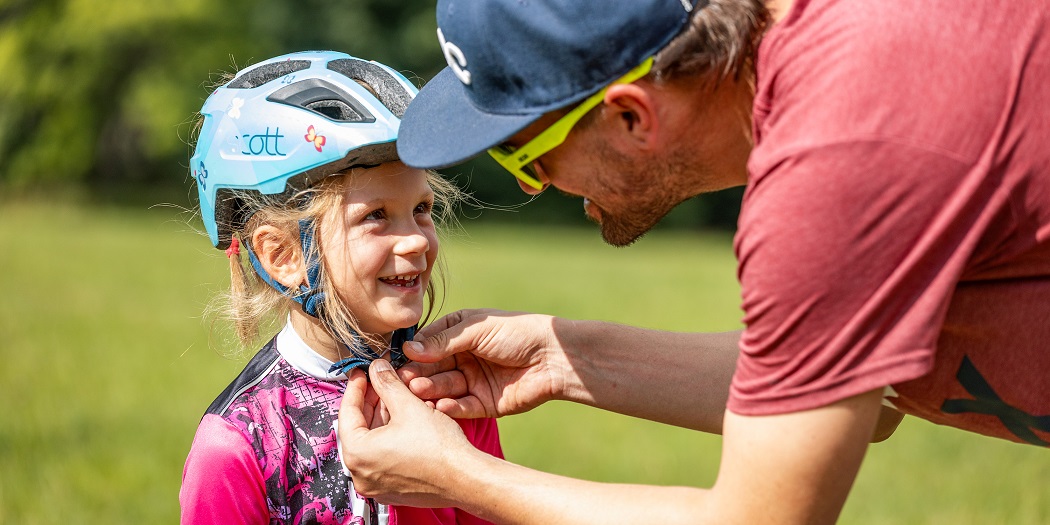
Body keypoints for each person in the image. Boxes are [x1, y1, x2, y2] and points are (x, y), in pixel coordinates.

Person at [335, 0, 1050, 523]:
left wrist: (459, 475)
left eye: (523, 157)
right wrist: (560, 355)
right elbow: (856, 387)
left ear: (630, 117)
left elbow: (759, 517)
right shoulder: (840, 53)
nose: (537, 186)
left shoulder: (834, 162)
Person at [178, 50, 502, 525]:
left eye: (422, 209)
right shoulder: (237, 448)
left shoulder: (454, 391)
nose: (415, 238)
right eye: (376, 216)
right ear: (284, 256)